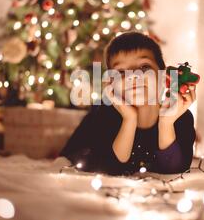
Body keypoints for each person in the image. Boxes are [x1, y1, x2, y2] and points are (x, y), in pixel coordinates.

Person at [60, 31, 196, 176]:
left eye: (144, 67)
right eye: (121, 72)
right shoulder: (102, 115)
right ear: (111, 84)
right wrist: (129, 119)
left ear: (164, 77)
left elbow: (175, 171)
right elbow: (108, 169)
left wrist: (166, 124)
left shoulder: (180, 117)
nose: (134, 76)